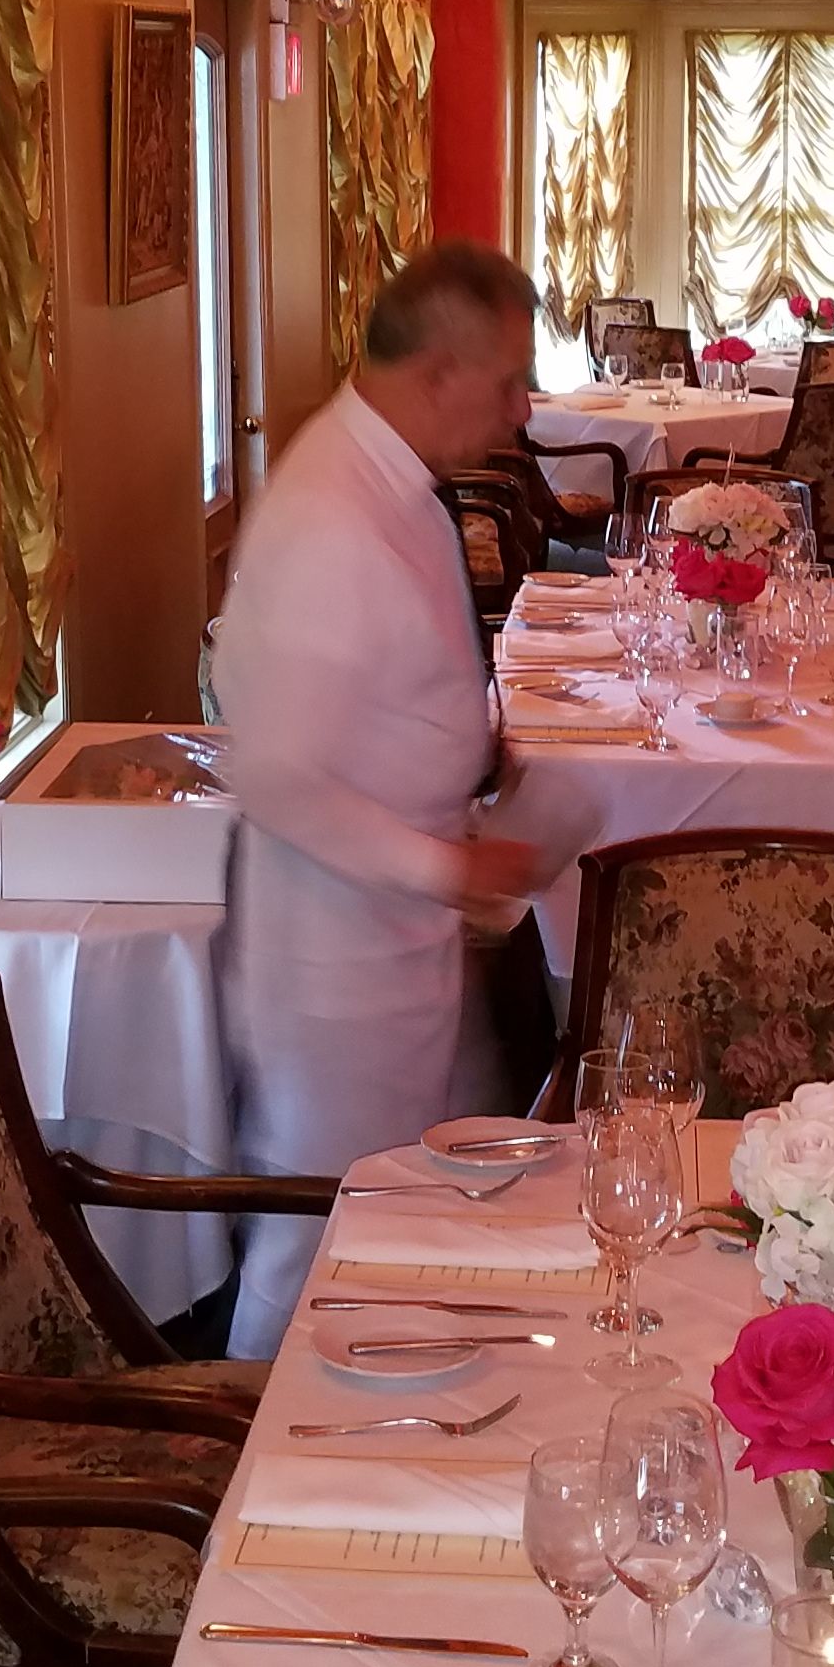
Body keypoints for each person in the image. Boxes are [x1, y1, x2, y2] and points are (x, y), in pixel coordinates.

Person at [210, 240, 547, 1351]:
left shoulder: (396, 480)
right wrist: (447, 865)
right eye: (508, 381)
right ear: (438, 374)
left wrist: (473, 755)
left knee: (416, 1201)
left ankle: (387, 1407)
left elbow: (394, 677)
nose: (523, 408)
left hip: (401, 935)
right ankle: (249, 1437)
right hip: (333, 959)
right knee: (319, 1232)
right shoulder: (329, 517)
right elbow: (277, 778)